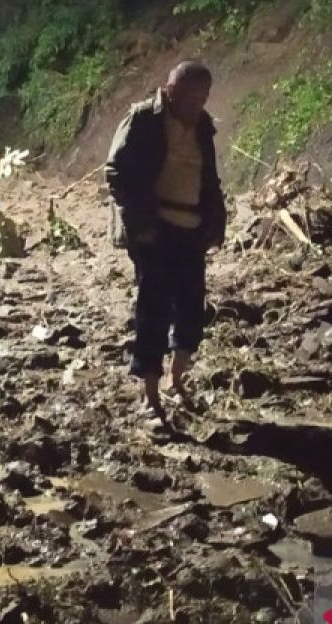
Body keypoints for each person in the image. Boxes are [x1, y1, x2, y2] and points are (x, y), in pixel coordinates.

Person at [105, 60, 226, 429]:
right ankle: (150, 397)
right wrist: (141, 223)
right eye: (189, 95)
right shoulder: (143, 119)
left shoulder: (203, 126)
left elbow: (210, 178)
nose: (196, 103)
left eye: (202, 97)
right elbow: (116, 172)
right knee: (153, 310)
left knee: (191, 308)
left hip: (191, 229)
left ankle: (176, 380)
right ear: (170, 90)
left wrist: (216, 222)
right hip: (155, 230)